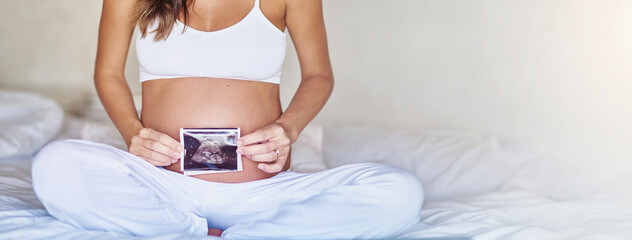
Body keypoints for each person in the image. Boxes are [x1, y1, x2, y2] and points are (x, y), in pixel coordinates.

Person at [31, 0, 425, 239]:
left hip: (264, 195)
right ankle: (194, 231)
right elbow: (108, 74)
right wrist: (133, 134)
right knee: (53, 166)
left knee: (401, 192)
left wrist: (288, 128)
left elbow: (319, 75)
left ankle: (245, 235)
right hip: (164, 185)